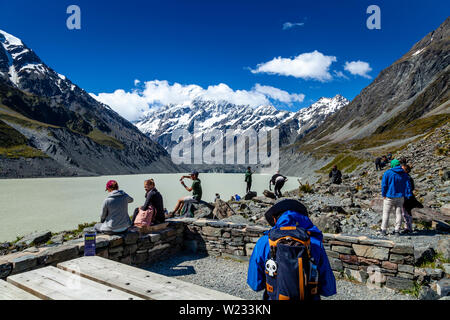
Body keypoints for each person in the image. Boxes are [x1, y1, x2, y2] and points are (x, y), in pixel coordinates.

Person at [247, 199, 336, 300]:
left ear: (275, 220)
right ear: (303, 218)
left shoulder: (264, 242)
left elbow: (255, 284)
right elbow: (328, 288)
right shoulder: (315, 242)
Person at [380, 159, 413, 236]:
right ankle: (397, 230)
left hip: (389, 196)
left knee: (386, 213)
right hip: (400, 196)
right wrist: (407, 194)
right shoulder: (404, 174)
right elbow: (408, 186)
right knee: (399, 213)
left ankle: (383, 229)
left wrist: (384, 194)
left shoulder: (388, 172)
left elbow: (384, 185)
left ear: (392, 165)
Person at [400, 164, 423, 234]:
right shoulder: (407, 177)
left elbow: (411, 188)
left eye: (403, 169)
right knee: (405, 212)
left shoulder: (408, 178)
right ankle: (407, 227)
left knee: (406, 212)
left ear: (406, 170)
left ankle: (408, 228)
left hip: (407, 197)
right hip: (406, 197)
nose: (401, 170)